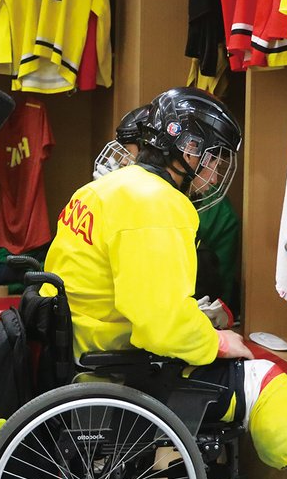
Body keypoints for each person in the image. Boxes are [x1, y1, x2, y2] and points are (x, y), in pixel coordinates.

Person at [46, 87, 287, 474]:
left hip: (79, 344)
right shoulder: (158, 203)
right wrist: (218, 342)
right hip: (118, 361)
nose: (214, 172)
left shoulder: (98, 189)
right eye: (213, 157)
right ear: (188, 150)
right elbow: (160, 325)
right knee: (264, 378)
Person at [94, 101, 242, 320]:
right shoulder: (156, 201)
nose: (124, 162)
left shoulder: (99, 191)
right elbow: (154, 320)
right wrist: (212, 342)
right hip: (102, 334)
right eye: (212, 162)